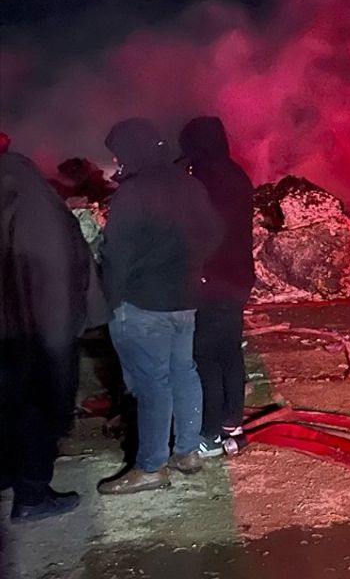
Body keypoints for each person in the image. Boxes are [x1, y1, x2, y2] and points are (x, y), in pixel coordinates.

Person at [97, 118, 221, 494]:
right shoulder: (190, 184)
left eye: (118, 152)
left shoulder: (133, 194)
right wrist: (189, 265)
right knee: (184, 372)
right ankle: (187, 451)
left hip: (143, 304)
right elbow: (214, 233)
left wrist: (110, 302)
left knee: (153, 386)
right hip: (184, 301)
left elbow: (116, 256)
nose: (117, 160)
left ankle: (151, 466)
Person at [0, 152, 90, 522]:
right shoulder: (39, 208)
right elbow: (60, 272)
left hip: (8, 332)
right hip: (39, 333)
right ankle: (32, 495)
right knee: (38, 410)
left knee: (9, 410)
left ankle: (8, 475)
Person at [178, 117, 255, 457]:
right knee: (229, 351)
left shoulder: (202, 180)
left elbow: (197, 232)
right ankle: (232, 424)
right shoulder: (237, 175)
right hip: (238, 276)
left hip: (210, 279)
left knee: (205, 355)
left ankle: (208, 434)